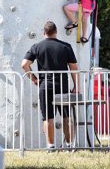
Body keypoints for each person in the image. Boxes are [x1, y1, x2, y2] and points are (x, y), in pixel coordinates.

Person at [21, 21, 79, 151]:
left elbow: (24, 64)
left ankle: (50, 146)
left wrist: (34, 79)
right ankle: (70, 145)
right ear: (56, 32)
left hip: (45, 86)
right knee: (66, 116)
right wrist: (76, 86)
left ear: (44, 33)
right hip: (62, 86)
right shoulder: (66, 46)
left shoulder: (37, 46)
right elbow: (74, 68)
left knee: (48, 117)